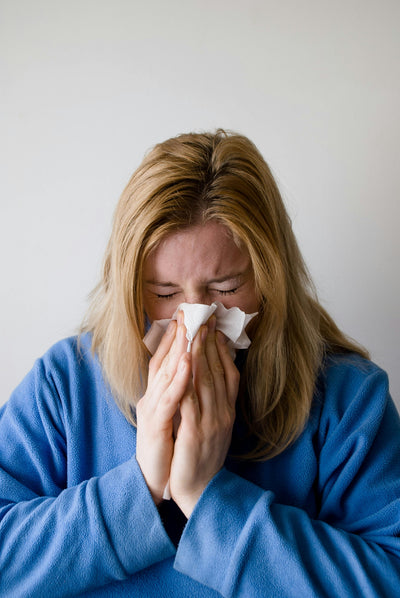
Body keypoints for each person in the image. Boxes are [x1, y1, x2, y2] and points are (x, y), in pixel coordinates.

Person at [1, 130, 399, 597]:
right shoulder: (63, 384)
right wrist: (142, 486)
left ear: (270, 279)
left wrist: (206, 496)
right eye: (164, 293)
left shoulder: (347, 399)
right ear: (128, 286)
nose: (194, 322)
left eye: (226, 289)